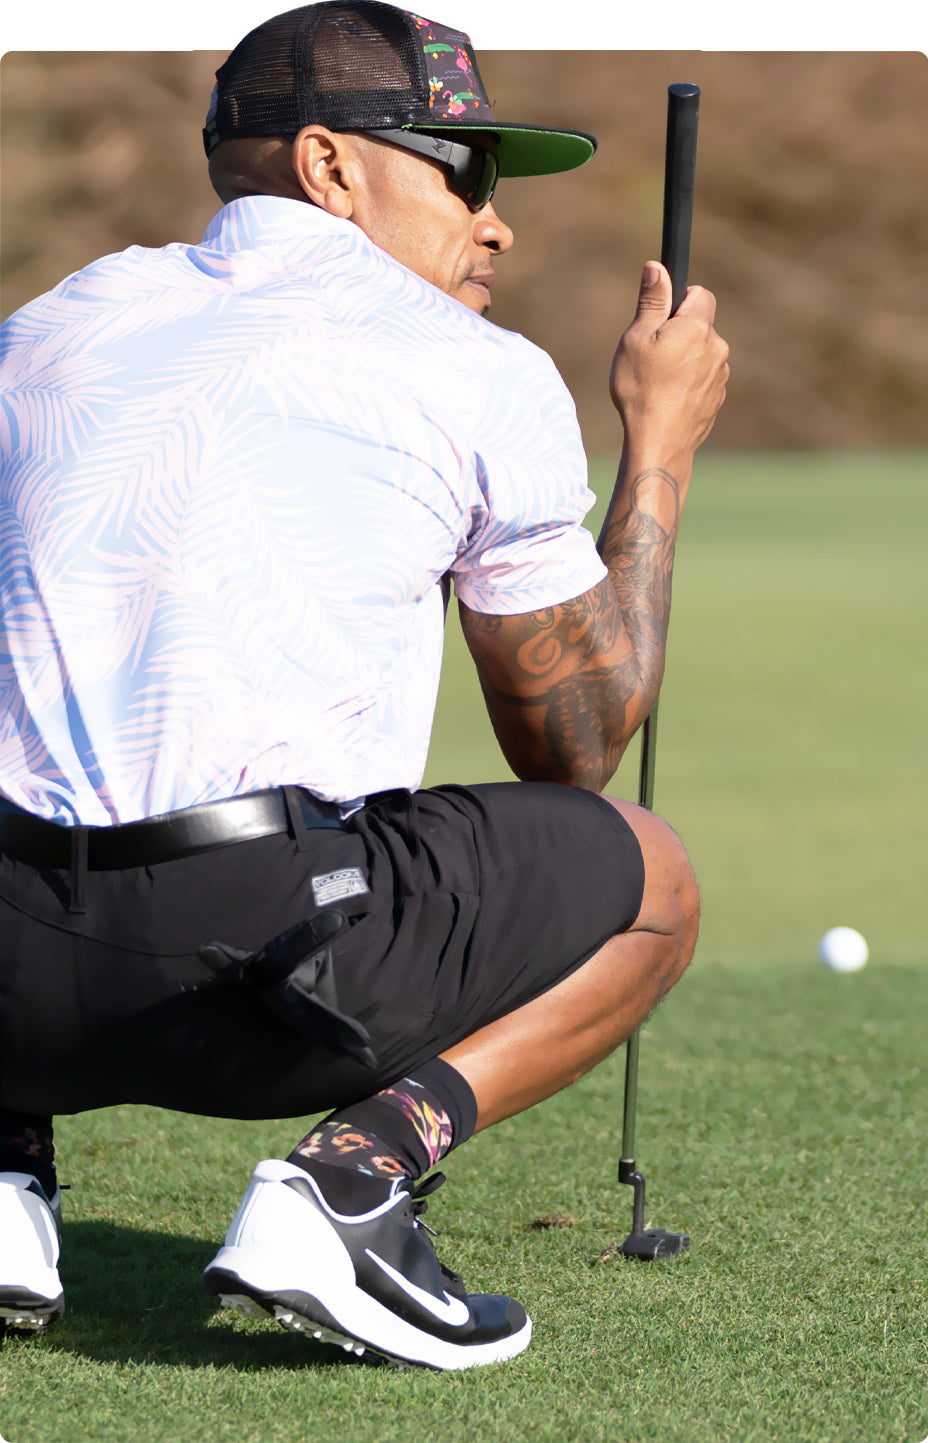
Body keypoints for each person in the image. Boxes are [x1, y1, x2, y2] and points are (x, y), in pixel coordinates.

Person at [0, 1, 728, 1371]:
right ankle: (347, 1189)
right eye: (460, 166)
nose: (494, 217)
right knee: (648, 876)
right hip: (257, 983)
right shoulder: (476, 371)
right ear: (332, 167)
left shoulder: (52, 320)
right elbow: (574, 740)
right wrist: (663, 442)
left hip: (9, 980)